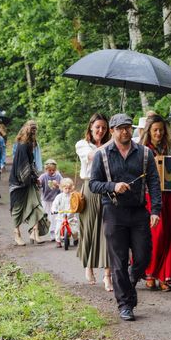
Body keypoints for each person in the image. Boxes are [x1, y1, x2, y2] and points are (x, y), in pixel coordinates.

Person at [89, 113, 162, 322]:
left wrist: (156, 210)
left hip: (139, 211)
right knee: (119, 260)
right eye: (120, 128)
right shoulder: (102, 154)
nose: (125, 131)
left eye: (128, 127)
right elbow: (93, 184)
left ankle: (129, 281)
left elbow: (155, 184)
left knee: (143, 256)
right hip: (113, 211)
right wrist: (113, 186)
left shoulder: (145, 154)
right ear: (112, 131)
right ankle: (125, 304)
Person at [139, 114, 171, 290]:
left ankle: (164, 277)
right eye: (155, 130)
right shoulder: (142, 150)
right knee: (156, 236)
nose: (159, 133)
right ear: (149, 131)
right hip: (151, 197)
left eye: (161, 130)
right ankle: (150, 273)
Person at [75, 113, 112, 291]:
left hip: (105, 188)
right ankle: (89, 267)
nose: (100, 130)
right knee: (89, 230)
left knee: (108, 232)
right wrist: (112, 142)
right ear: (91, 127)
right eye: (98, 127)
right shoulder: (82, 144)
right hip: (89, 189)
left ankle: (107, 275)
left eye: (104, 128)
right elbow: (92, 156)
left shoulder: (112, 145)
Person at [9, 120, 47, 246]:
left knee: (34, 204)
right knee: (17, 208)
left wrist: (35, 177)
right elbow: (22, 166)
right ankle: (17, 234)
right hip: (18, 181)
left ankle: (34, 231)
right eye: (33, 130)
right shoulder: (23, 144)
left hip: (28, 179)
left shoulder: (31, 143)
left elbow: (31, 164)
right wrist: (30, 177)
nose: (34, 132)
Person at [51, 178, 80, 248]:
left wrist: (76, 208)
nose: (67, 190)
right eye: (65, 188)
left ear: (72, 188)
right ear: (62, 188)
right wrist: (54, 210)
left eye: (69, 188)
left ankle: (76, 239)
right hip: (61, 217)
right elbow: (55, 204)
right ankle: (58, 241)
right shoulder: (59, 197)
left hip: (71, 216)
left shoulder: (73, 196)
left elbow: (77, 203)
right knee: (58, 229)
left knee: (75, 230)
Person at [38, 159, 63, 241]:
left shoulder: (58, 176)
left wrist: (58, 185)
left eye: (53, 170)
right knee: (48, 217)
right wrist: (38, 183)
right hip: (46, 200)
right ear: (46, 170)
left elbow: (63, 185)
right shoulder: (43, 176)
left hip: (55, 200)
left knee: (55, 217)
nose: (52, 172)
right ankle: (48, 232)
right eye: (50, 170)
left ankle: (55, 234)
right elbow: (38, 184)